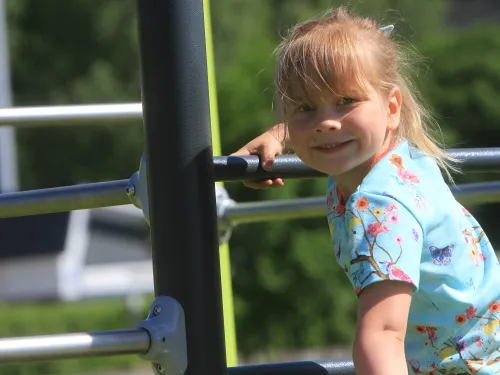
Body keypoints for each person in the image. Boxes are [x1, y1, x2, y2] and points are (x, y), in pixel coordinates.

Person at [231, 6, 500, 375]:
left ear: (392, 109)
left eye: (346, 102)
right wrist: (281, 134)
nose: (326, 123)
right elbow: (335, 124)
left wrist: (298, 125)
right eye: (305, 107)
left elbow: (382, 335)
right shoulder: (394, 157)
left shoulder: (381, 206)